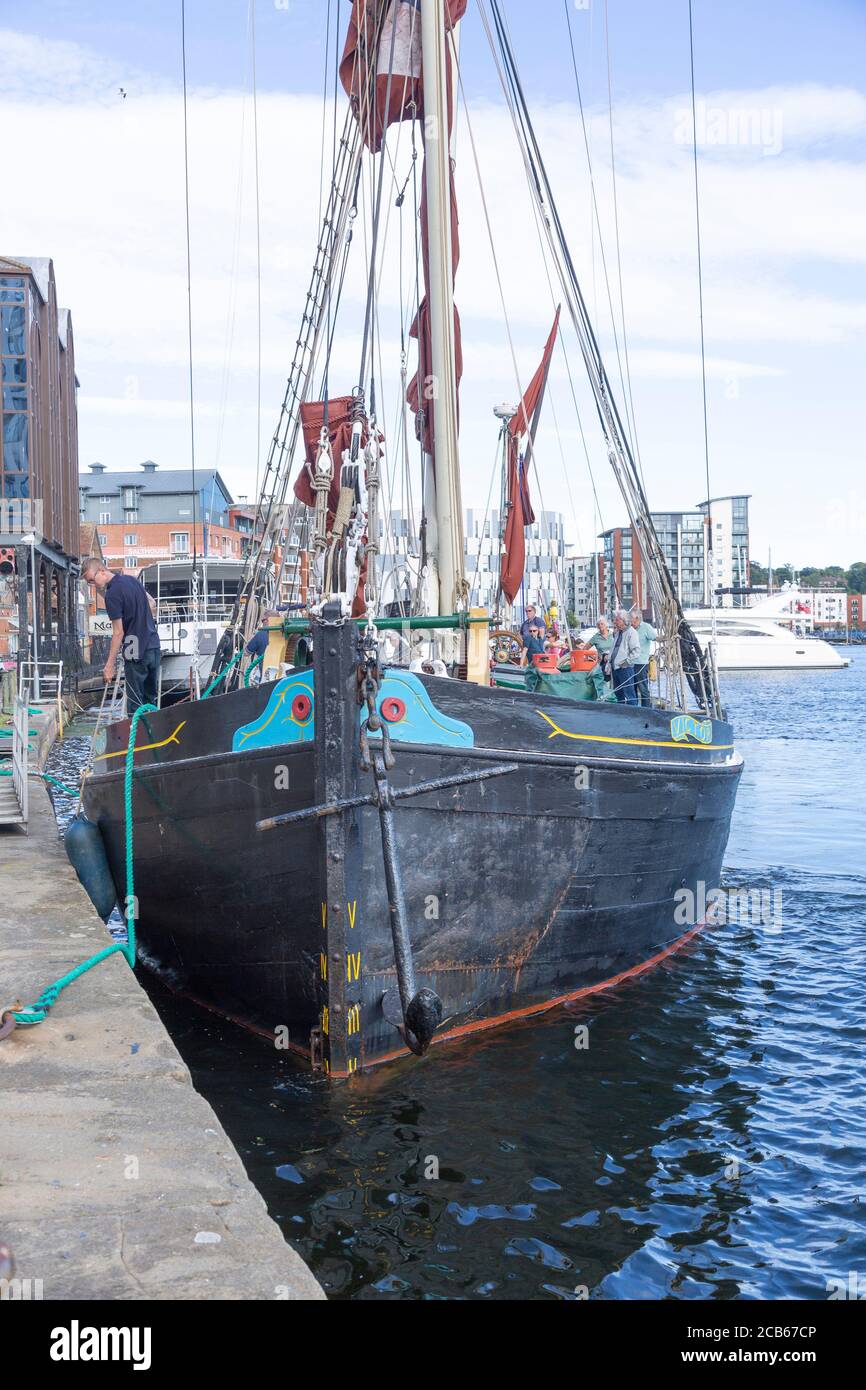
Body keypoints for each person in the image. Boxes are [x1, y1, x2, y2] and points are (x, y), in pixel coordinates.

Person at [83, 559, 161, 712]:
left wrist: (109, 665)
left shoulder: (111, 594)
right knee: (150, 699)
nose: (93, 584)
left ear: (102, 570)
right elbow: (152, 603)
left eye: (92, 579)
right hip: (153, 644)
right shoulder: (132, 580)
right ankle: (151, 732)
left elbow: (118, 632)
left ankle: (136, 733)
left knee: (135, 702)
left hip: (133, 647)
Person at [610, 609, 640, 705]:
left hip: (625, 668)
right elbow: (614, 648)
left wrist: (626, 662)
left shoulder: (631, 632)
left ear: (624, 621)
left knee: (629, 694)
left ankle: (633, 714)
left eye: (617, 620)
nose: (615, 622)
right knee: (619, 694)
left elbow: (636, 651)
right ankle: (621, 714)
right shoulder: (618, 633)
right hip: (616, 668)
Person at [630, 609, 657, 707]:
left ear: (637, 619)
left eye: (631, 619)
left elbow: (655, 637)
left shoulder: (646, 627)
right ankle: (634, 709)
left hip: (641, 663)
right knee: (632, 689)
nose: (630, 622)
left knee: (643, 689)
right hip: (630, 663)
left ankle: (646, 709)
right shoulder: (630, 629)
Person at [585, 616, 613, 698]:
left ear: (606, 625)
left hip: (613, 662)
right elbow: (585, 649)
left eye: (602, 624)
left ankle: (613, 697)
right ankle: (603, 698)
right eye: (598, 624)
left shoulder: (613, 634)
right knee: (602, 682)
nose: (600, 626)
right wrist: (593, 658)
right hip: (602, 663)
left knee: (613, 682)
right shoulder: (596, 637)